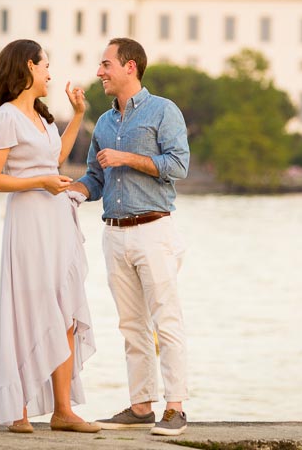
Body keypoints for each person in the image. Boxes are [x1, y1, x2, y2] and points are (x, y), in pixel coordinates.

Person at [69, 37, 191, 436]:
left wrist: (127, 158)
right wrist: (68, 192)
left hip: (154, 230)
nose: (100, 72)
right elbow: (96, 179)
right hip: (114, 234)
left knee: (166, 320)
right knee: (130, 325)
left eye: (106, 64)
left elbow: (178, 165)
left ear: (130, 67)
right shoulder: (103, 122)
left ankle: (175, 407)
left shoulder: (163, 111)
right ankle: (141, 406)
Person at [0, 39, 101, 434]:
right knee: (30, 309)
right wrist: (41, 183)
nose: (51, 73)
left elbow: (55, 161)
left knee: (64, 310)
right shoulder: (6, 117)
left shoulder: (43, 117)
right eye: (46, 65)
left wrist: (78, 115)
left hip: (56, 217)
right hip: (29, 219)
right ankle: (19, 408)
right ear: (29, 67)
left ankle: (63, 411)